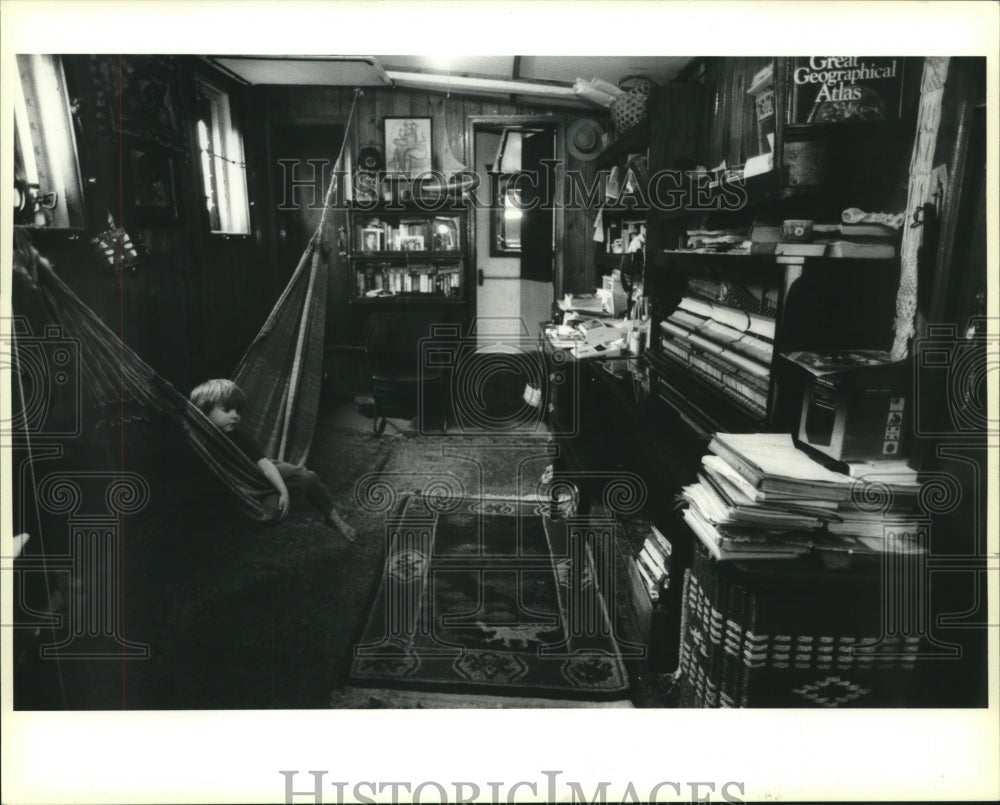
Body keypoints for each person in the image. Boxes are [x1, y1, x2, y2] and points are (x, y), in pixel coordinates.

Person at [190, 379, 356, 540]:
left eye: (238, 411)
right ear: (204, 410)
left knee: (307, 477)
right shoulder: (196, 440)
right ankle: (274, 493)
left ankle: (332, 516)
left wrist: (283, 490)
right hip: (241, 485)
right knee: (273, 513)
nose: (235, 416)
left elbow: (264, 464)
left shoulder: (241, 438)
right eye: (227, 410)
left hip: (259, 470)